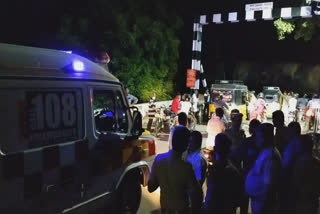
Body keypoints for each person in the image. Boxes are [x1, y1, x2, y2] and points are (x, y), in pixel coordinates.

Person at [148, 126, 203, 214]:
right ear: (186, 144)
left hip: (164, 209)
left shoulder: (159, 159)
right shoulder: (186, 167)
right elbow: (197, 194)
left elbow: (151, 188)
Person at [245, 123, 282, 214]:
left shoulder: (270, 156)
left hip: (263, 206)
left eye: (258, 136)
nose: (256, 139)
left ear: (265, 137)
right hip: (260, 203)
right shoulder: (266, 152)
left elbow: (269, 186)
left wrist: (264, 208)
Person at [204, 133, 243, 214]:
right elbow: (238, 199)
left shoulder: (214, 171)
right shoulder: (234, 171)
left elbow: (210, 197)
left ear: (215, 148)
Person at [278, 121, 304, 214]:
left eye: (288, 131)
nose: (286, 133)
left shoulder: (292, 145)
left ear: (292, 132)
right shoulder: (301, 143)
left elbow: (286, 165)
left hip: (290, 181)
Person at [237, 119, 261, 214]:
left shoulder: (246, 142)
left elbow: (239, 157)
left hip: (247, 175)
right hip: (258, 177)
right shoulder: (262, 144)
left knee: (244, 202)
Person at [293, 135, 320, 214]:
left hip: (303, 200)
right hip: (312, 200)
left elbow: (296, 183)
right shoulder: (316, 161)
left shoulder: (301, 163)